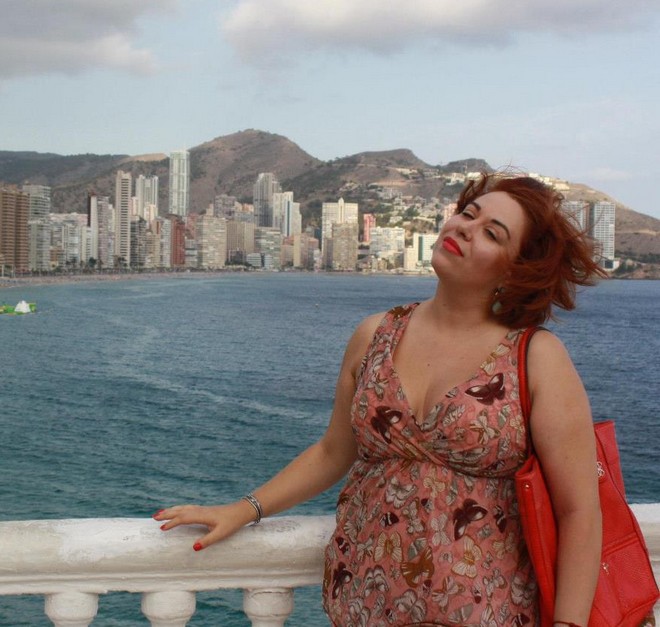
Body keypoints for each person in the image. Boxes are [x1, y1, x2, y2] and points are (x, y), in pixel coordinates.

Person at [154, 173, 644, 626]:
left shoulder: (535, 357)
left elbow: (579, 511)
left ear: (516, 270)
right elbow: (333, 452)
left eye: (493, 234)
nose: (466, 228)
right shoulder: (375, 335)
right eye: (468, 213)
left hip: (485, 610)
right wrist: (242, 509)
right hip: (365, 601)